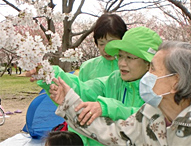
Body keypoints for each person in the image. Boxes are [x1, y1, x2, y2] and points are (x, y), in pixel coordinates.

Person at [27, 26, 162, 146]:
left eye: (130, 58)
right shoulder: (114, 80)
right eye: (120, 56)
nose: (122, 63)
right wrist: (49, 73)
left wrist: (107, 107)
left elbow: (148, 119)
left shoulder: (161, 88)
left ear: (148, 62)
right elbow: (82, 89)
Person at [50, 41, 191, 145]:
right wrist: (68, 101)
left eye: (153, 69)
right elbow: (113, 134)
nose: (147, 74)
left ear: (176, 82)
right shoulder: (150, 114)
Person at [79, 13, 127, 82]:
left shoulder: (131, 66)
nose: (106, 49)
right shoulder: (87, 67)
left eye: (111, 43)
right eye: (101, 44)